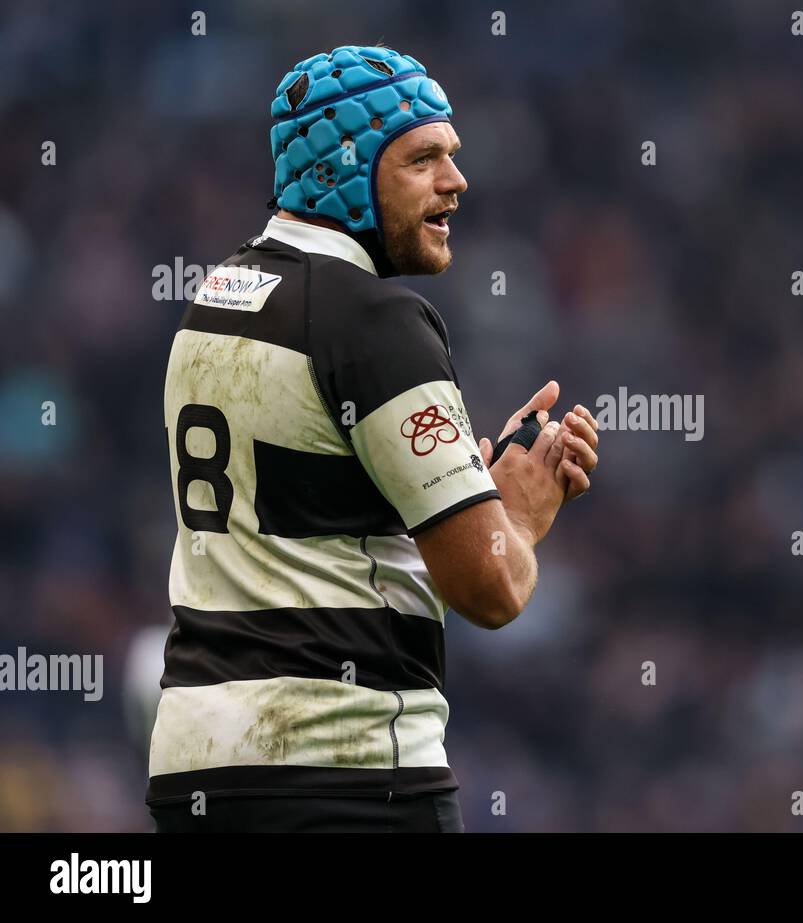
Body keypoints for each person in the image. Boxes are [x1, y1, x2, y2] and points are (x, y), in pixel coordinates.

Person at [148, 44, 598, 832]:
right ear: (338, 169)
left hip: (197, 770)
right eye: (423, 159)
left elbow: (317, 504)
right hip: (346, 775)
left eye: (452, 157)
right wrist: (518, 516)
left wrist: (461, 487)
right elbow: (489, 589)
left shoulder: (214, 298)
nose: (456, 183)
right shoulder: (374, 321)